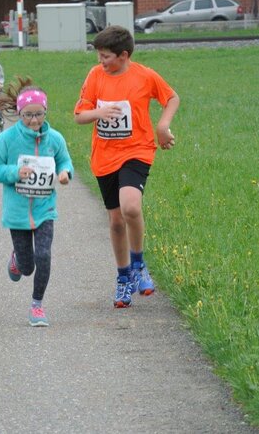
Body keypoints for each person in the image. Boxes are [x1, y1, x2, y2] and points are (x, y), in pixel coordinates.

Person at [73, 25, 180, 309]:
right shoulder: (95, 76)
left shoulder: (144, 76)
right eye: (99, 55)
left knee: (130, 207)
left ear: (123, 55)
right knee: (116, 221)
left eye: (106, 56)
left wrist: (163, 126)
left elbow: (171, 98)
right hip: (104, 156)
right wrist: (99, 112)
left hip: (137, 150)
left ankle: (139, 264)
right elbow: (79, 115)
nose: (101, 61)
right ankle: (123, 278)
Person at [0, 77, 74, 327]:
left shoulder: (54, 138)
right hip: (17, 212)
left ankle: (37, 305)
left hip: (45, 209)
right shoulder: (7, 139)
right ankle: (17, 260)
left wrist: (65, 173)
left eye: (39, 114)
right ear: (19, 113)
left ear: (46, 111)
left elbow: (65, 161)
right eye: (28, 115)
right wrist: (15, 173)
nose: (34, 121)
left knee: (43, 255)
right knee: (27, 267)